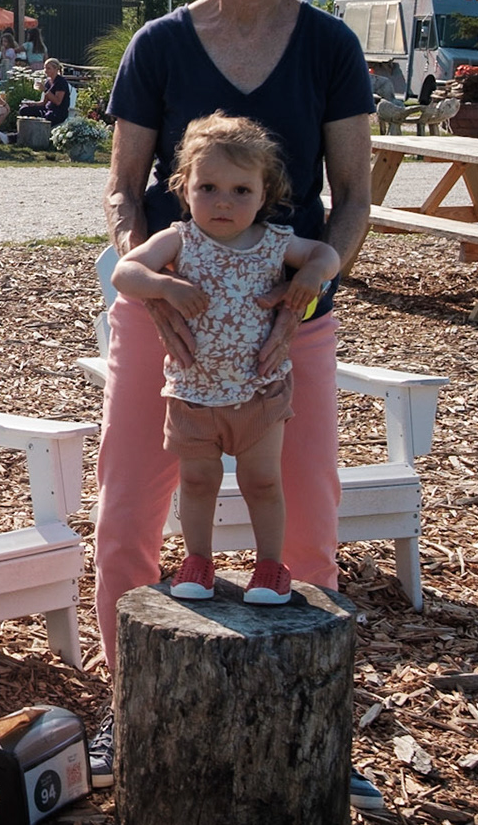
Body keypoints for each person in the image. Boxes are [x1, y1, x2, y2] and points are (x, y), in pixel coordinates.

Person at [92, 0, 374, 800]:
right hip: (163, 322)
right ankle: (126, 716)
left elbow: (353, 196)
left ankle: (313, 739)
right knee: (131, 510)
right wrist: (149, 280)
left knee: (304, 520)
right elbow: (125, 188)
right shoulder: (160, 46)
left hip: (284, 327)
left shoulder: (330, 45)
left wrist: (315, 280)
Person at [112, 114, 342, 605]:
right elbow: (125, 273)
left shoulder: (276, 243)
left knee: (263, 480)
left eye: (241, 191)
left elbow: (326, 255)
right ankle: (198, 561)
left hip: (258, 390)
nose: (223, 201)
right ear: (185, 187)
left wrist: (310, 279)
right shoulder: (179, 239)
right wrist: (163, 284)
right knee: (197, 480)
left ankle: (271, 566)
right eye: (208, 187)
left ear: (265, 195)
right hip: (193, 392)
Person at [19, 57, 72, 124]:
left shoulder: (61, 82)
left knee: (48, 116)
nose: (45, 70)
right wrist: (32, 103)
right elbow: (44, 103)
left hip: (58, 112)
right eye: (45, 68)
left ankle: (41, 131)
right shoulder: (48, 81)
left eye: (48, 68)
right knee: (24, 109)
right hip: (46, 109)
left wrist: (45, 89)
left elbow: (57, 102)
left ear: (55, 69)